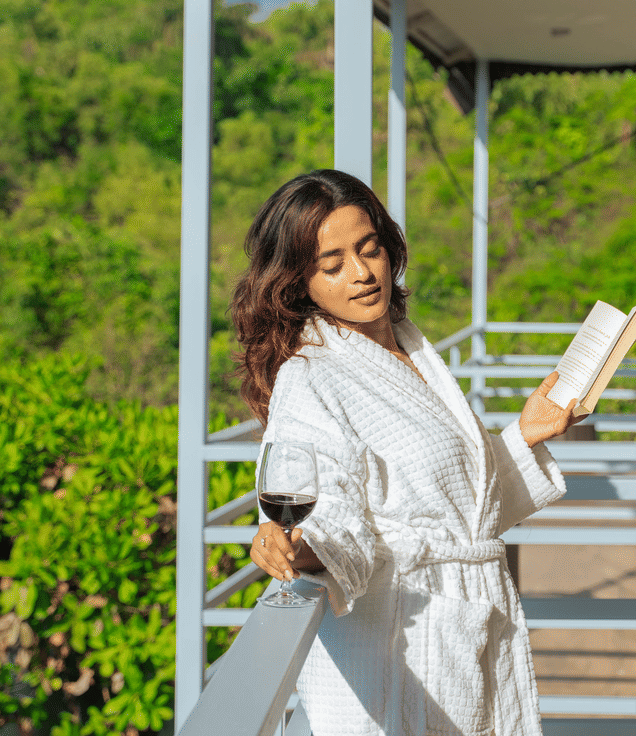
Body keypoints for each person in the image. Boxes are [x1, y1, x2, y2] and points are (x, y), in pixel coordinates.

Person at [234, 169, 581, 736]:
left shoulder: (410, 344)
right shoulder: (312, 376)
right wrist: (304, 548)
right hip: (401, 645)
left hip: (466, 627)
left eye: (369, 249)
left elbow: (460, 504)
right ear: (299, 283)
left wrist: (526, 433)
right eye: (333, 264)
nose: (363, 273)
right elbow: (332, 509)